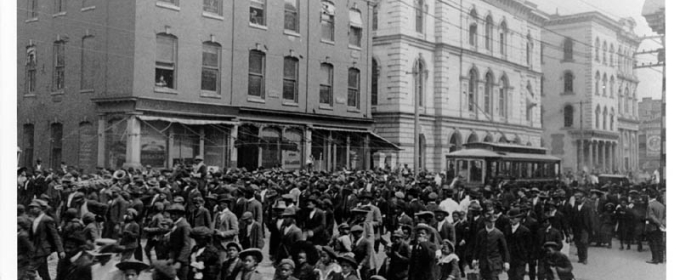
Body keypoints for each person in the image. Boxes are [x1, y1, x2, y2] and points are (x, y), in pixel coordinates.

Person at [28, 199, 65, 280]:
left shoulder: (47, 219)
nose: (32, 209)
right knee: (43, 272)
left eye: (34, 207)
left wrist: (60, 250)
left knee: (30, 269)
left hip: (43, 250)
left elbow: (55, 235)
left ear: (40, 208)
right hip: (36, 249)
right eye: (31, 208)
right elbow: (31, 236)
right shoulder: (34, 220)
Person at [472, 211, 510, 280]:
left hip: (495, 263)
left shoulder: (499, 233)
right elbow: (477, 247)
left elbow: (505, 249)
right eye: (490, 222)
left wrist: (506, 262)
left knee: (493, 278)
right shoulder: (481, 233)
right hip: (483, 263)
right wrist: (474, 259)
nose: (492, 223)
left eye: (493, 222)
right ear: (485, 222)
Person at [568, 188, 594, 265]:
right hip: (576, 228)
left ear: (583, 199)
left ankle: (585, 258)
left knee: (584, 243)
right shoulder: (575, 207)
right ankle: (580, 257)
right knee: (578, 242)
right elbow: (572, 218)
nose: (577, 200)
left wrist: (591, 228)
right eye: (576, 199)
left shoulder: (587, 208)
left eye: (578, 198)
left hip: (584, 228)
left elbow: (590, 219)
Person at [167, 203, 193, 280]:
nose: (172, 216)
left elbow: (186, 245)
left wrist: (180, 261)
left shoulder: (184, 226)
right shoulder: (176, 225)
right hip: (174, 258)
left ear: (180, 214)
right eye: (171, 213)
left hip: (182, 262)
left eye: (174, 214)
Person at [506, 208, 531, 280]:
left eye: (513, 218)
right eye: (510, 218)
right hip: (510, 258)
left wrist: (526, 256)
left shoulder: (525, 231)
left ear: (519, 218)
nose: (511, 220)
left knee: (519, 277)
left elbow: (529, 245)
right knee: (511, 276)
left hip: (521, 258)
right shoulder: (507, 229)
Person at [645, 189, 665, 264]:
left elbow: (651, 217)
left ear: (649, 196)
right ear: (656, 196)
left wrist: (658, 223)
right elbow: (664, 217)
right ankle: (661, 258)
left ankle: (655, 259)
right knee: (659, 242)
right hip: (660, 227)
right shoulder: (661, 205)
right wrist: (661, 224)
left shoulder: (650, 205)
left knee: (653, 243)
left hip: (652, 227)